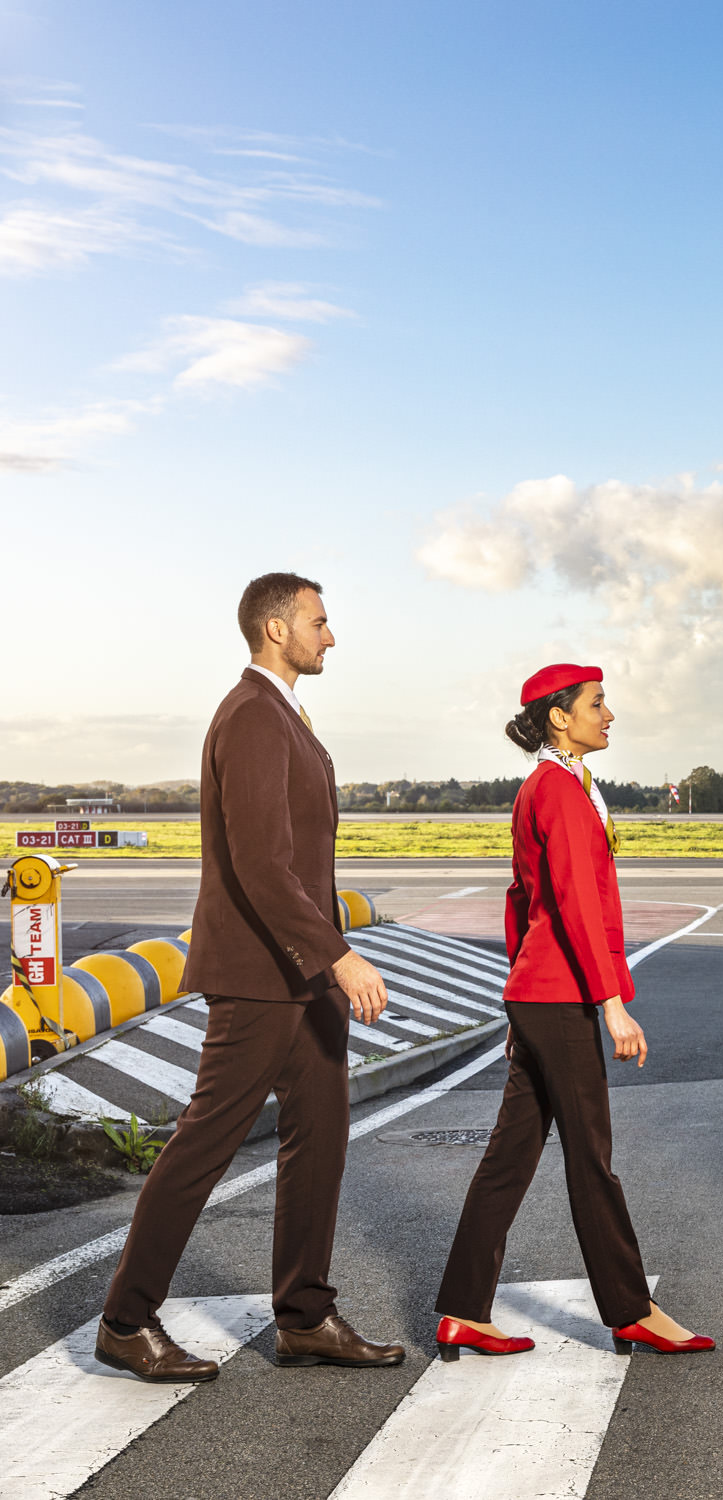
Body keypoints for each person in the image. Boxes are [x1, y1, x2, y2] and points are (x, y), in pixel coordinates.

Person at [97, 573, 403, 1382]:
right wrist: (339, 952)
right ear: (276, 628)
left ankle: (304, 1316)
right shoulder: (253, 716)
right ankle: (126, 1323)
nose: (331, 636)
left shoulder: (284, 716)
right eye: (320, 622)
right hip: (263, 974)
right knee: (206, 1142)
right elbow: (263, 866)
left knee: (323, 1135)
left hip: (300, 979)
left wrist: (324, 963)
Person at [432, 664, 713, 1359]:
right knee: (592, 1158)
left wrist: (517, 994)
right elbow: (575, 905)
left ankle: (464, 1309)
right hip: (559, 996)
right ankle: (630, 1310)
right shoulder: (557, 790)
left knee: (510, 1157)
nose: (608, 714)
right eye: (597, 703)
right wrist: (612, 1004)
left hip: (541, 993)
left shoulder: (563, 785)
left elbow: (522, 902)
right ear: (560, 716)